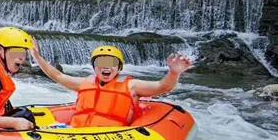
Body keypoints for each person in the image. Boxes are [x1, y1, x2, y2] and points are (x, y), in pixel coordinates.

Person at [31, 44, 193, 127]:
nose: (105, 67)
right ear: (94, 67)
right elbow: (57, 75)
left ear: (119, 67)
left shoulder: (132, 86)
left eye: (111, 63)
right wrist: (37, 57)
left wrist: (174, 72)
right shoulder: (84, 83)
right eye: (100, 62)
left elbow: (162, 87)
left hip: (111, 139)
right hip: (78, 135)